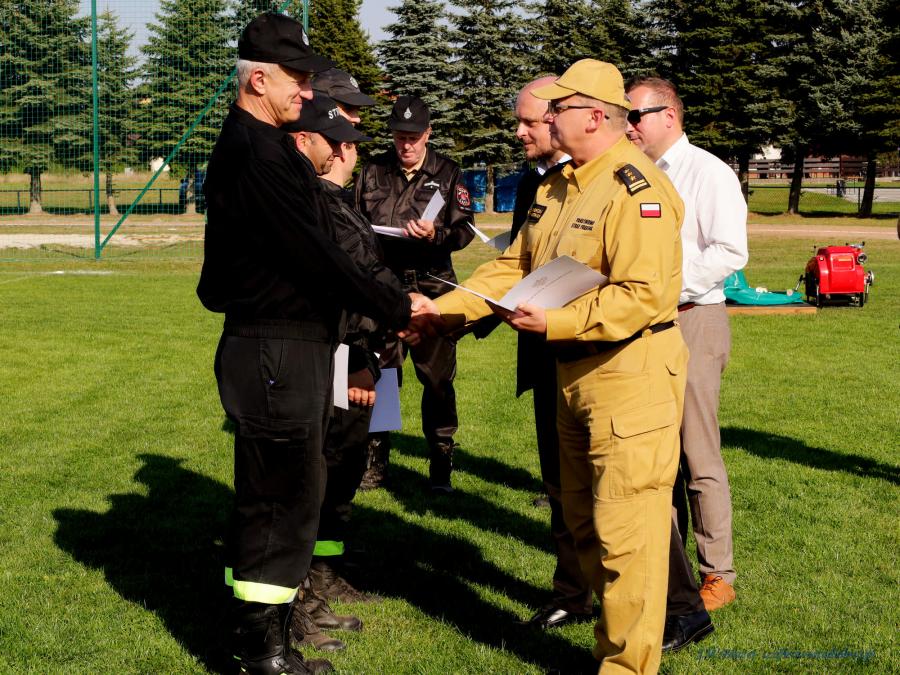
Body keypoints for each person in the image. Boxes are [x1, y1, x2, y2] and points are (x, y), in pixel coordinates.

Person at [406, 59, 688, 673]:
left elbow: (644, 295)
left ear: (595, 116)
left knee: (627, 538)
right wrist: (442, 311)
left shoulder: (638, 190)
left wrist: (556, 322)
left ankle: (626, 667)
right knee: (583, 524)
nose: (546, 118)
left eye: (558, 108)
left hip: (630, 375)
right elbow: (515, 267)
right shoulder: (560, 183)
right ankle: (611, 642)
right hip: (573, 375)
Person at [196, 13, 412, 675]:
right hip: (274, 350)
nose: (307, 90)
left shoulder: (265, 147)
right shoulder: (257, 153)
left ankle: (267, 640)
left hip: (288, 347)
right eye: (297, 77)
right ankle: (261, 653)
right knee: (278, 500)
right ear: (258, 79)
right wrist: (398, 306)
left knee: (289, 494)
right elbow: (318, 254)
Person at [625, 77, 748, 618]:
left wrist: (664, 288)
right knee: (654, 455)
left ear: (669, 115)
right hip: (643, 325)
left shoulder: (708, 172)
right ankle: (666, 567)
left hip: (694, 319)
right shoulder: (634, 175)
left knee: (698, 452)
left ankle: (717, 573)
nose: (628, 127)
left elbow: (729, 251)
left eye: (635, 116)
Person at [507, 76, 593, 629]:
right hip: (544, 350)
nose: (519, 133)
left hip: (599, 356)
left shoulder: (615, 183)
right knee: (558, 483)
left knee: (619, 491)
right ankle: (573, 591)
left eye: (529, 122)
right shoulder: (535, 183)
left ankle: (668, 603)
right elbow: (517, 262)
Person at [356, 95, 476, 493]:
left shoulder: (448, 172)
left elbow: (464, 230)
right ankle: (376, 462)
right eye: (399, 136)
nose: (405, 145)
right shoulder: (373, 171)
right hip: (385, 286)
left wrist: (436, 234)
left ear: (428, 134)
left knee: (437, 380)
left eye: (413, 137)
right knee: (384, 376)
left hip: (431, 284)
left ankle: (441, 461)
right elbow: (352, 221)